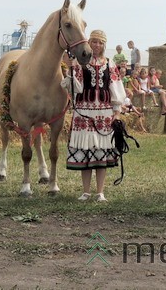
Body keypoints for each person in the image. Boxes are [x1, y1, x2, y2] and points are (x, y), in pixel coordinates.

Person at [63, 29, 126, 203]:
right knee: (85, 151)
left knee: (101, 153)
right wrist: (70, 68)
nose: (97, 45)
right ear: (89, 43)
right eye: (94, 42)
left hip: (104, 114)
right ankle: (86, 192)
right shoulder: (79, 63)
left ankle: (100, 192)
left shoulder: (110, 64)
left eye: (100, 42)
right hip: (83, 112)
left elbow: (116, 87)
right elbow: (72, 87)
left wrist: (117, 112)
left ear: (104, 45)